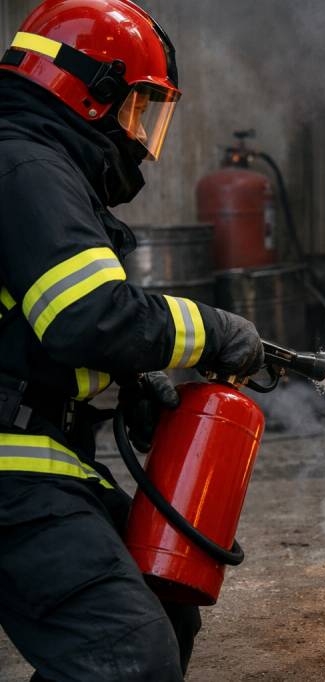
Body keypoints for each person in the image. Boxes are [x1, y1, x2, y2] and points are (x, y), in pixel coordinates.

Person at [0, 1, 265, 679]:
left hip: (37, 458)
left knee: (162, 605)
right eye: (139, 108)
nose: (141, 135)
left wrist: (126, 381)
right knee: (127, 656)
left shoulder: (33, 163)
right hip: (13, 473)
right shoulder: (25, 166)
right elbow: (84, 314)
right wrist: (208, 329)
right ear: (93, 90)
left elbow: (33, 334)